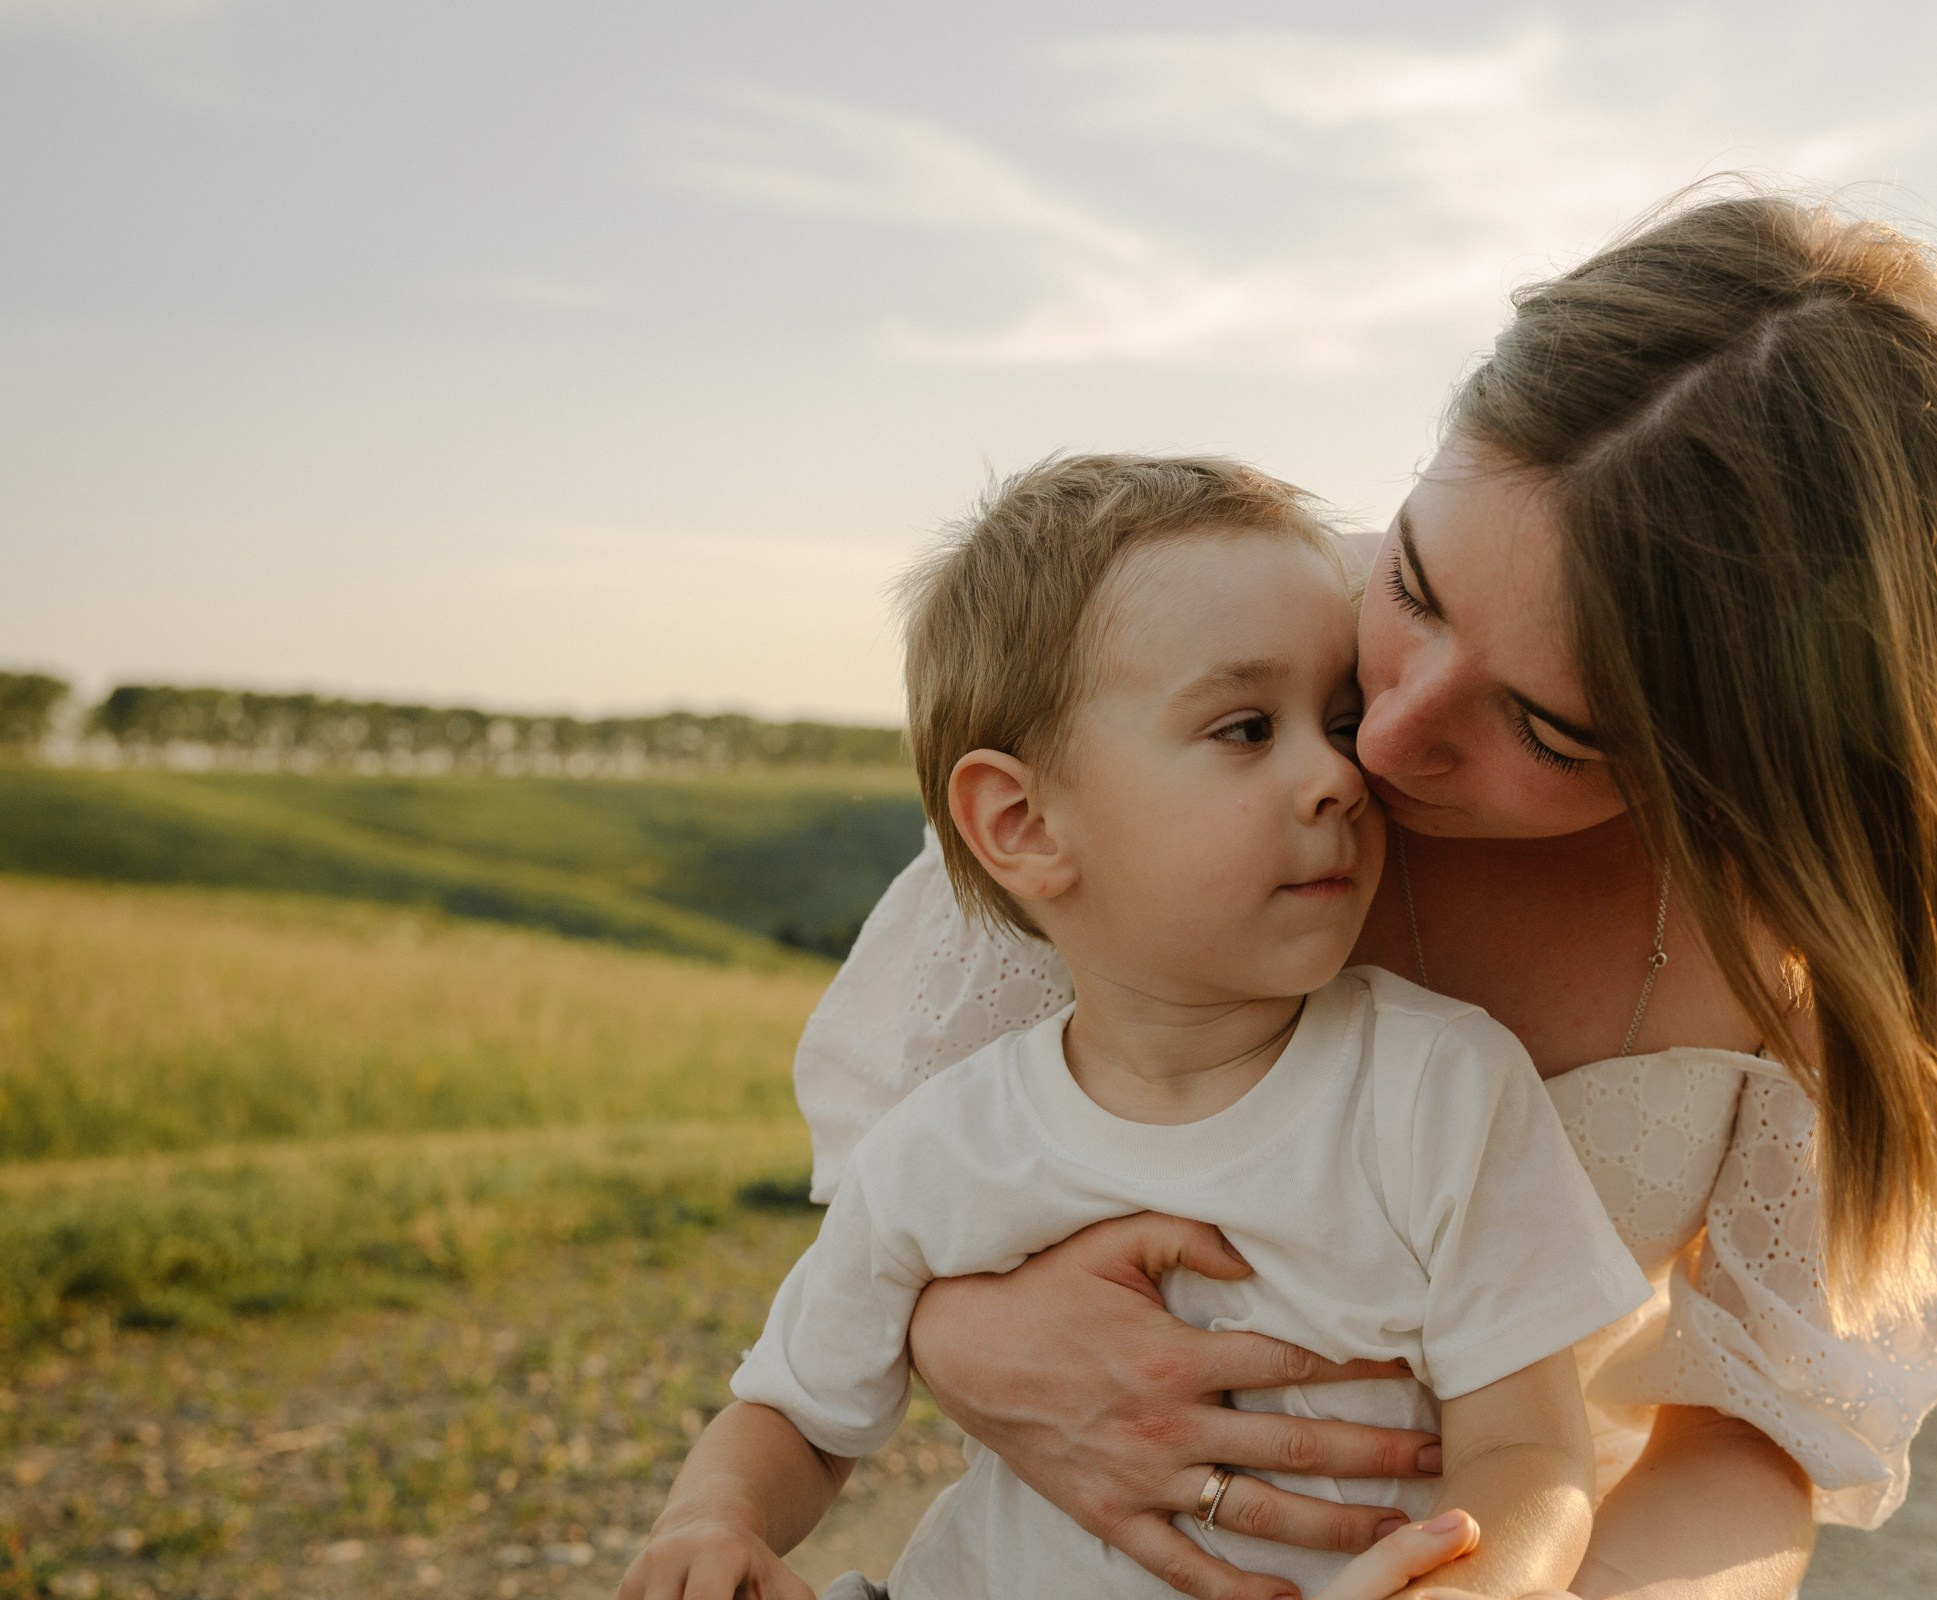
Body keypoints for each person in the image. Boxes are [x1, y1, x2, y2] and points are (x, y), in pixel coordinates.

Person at [793, 189, 1937, 1600]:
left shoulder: (1809, 938)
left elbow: (1750, 1444)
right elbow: (893, 1169)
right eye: (1412, 587)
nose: (1389, 736)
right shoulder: (1200, 667)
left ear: (1746, 756)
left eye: (1552, 729)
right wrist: (962, 1339)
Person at [621, 456, 1658, 1600]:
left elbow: (1529, 1450)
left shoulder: (1441, 1091)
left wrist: (1476, 1584)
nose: (1342, 775)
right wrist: (713, 1518)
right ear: (1022, 824)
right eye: (1247, 727)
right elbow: (798, 1413)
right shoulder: (945, 1145)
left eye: (1341, 717)